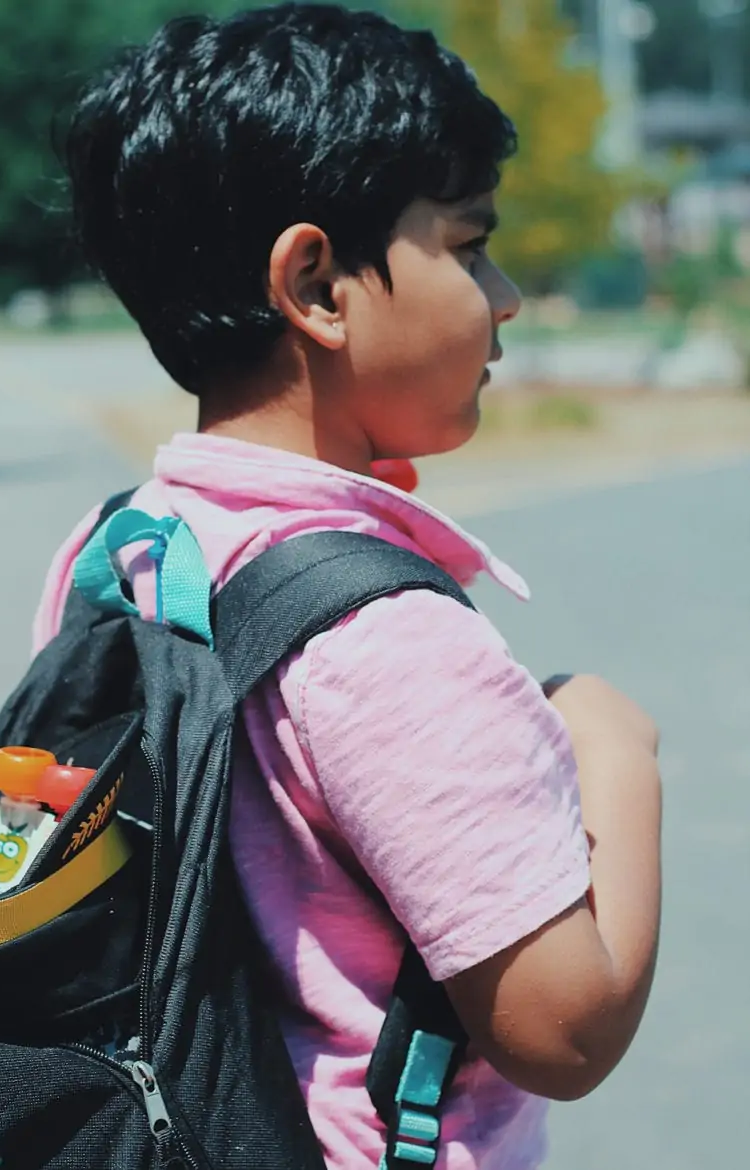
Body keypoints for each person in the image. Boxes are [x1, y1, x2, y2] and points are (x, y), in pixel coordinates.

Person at [34, 5, 662, 1167]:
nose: (507, 293)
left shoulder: (122, 545)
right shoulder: (389, 638)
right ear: (317, 286)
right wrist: (614, 756)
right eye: (470, 246)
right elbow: (562, 1028)